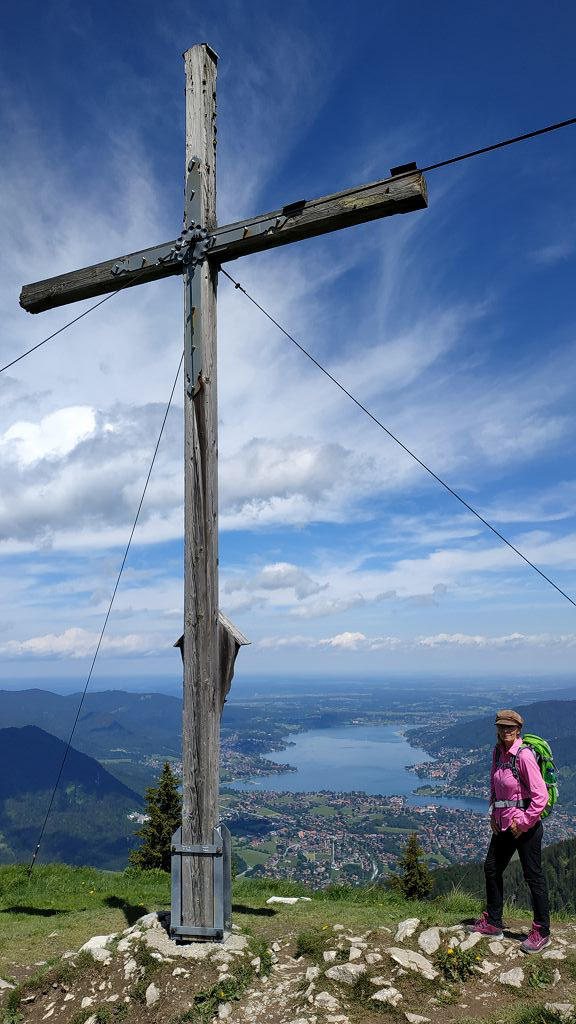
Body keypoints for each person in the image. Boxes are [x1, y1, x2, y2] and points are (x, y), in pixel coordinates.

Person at [467, 709, 551, 952]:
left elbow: (541, 797)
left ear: (518, 730)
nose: (505, 731)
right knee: (491, 868)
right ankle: (493, 922)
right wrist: (494, 812)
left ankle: (542, 931)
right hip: (504, 823)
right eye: (502, 726)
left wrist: (523, 822)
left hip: (525, 826)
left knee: (533, 876)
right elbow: (495, 785)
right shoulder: (498, 753)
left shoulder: (523, 756)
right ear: (497, 728)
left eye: (510, 727)